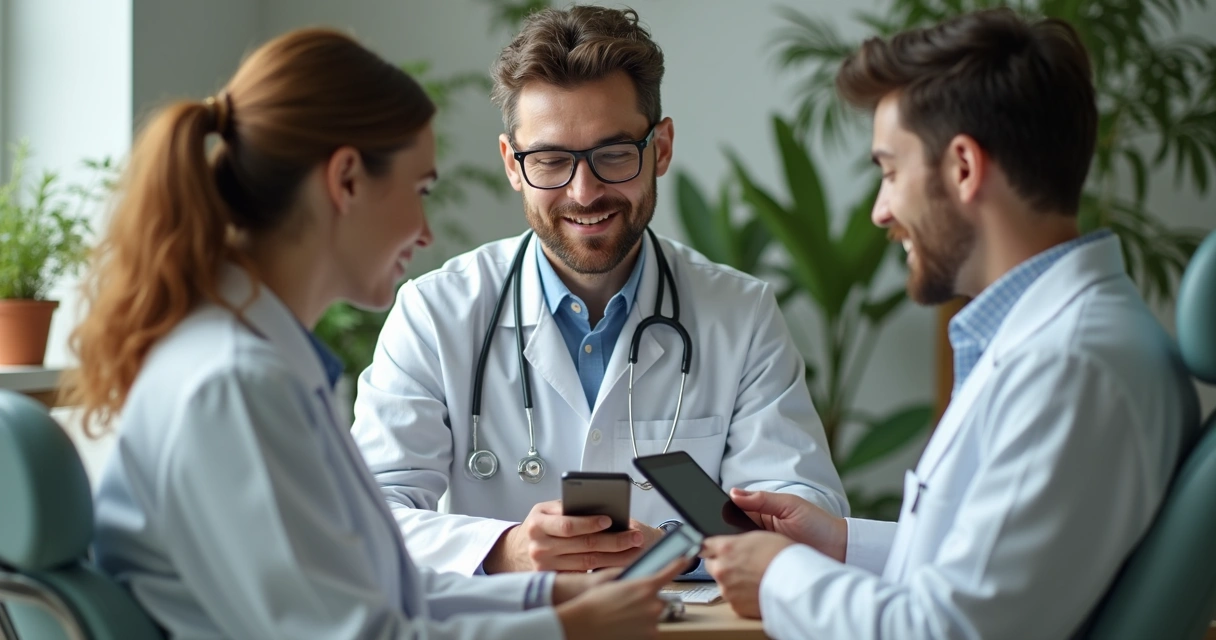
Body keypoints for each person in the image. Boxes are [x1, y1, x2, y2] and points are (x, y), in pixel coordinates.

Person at [67, 28, 684, 640]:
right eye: (419, 190)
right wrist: (565, 627)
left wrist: (547, 595)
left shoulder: (249, 364)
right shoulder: (235, 383)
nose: (425, 231)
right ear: (346, 181)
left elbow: (379, 588)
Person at [699, 8, 1200, 640]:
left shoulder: (1068, 368)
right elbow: (994, 575)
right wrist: (839, 542)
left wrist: (779, 576)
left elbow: (948, 630)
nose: (881, 211)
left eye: (889, 172)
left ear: (963, 167)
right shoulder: (1062, 344)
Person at [350, 4, 848, 578]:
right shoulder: (434, 313)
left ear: (661, 148)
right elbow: (365, 519)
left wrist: (675, 549)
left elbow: (806, 511)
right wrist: (505, 551)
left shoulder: (741, 314)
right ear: (512, 164)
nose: (584, 193)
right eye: (550, 160)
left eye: (613, 155)